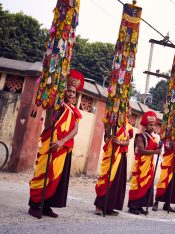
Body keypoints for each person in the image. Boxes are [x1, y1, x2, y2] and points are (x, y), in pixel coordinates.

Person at [28, 69, 84, 219]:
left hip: (63, 147)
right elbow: (48, 124)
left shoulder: (74, 111)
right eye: (69, 91)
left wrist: (62, 141)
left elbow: (75, 129)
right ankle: (34, 205)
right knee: (43, 174)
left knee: (55, 178)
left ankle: (46, 206)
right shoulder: (56, 105)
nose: (72, 94)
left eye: (74, 92)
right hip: (50, 144)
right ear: (63, 91)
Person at [94, 107, 134, 216]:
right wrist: (111, 135)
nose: (130, 112)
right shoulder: (113, 121)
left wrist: (120, 142)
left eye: (130, 110)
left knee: (117, 182)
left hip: (121, 156)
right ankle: (99, 205)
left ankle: (110, 207)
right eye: (128, 109)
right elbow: (106, 138)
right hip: (111, 153)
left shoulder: (128, 127)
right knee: (107, 178)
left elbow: (127, 143)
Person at [127, 111, 161, 215]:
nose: (153, 127)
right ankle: (133, 207)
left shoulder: (154, 138)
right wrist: (155, 152)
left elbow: (157, 148)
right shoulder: (140, 136)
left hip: (149, 166)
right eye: (150, 125)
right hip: (141, 165)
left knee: (147, 186)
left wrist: (159, 147)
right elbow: (141, 150)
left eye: (154, 125)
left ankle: (141, 205)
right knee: (138, 185)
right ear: (146, 125)